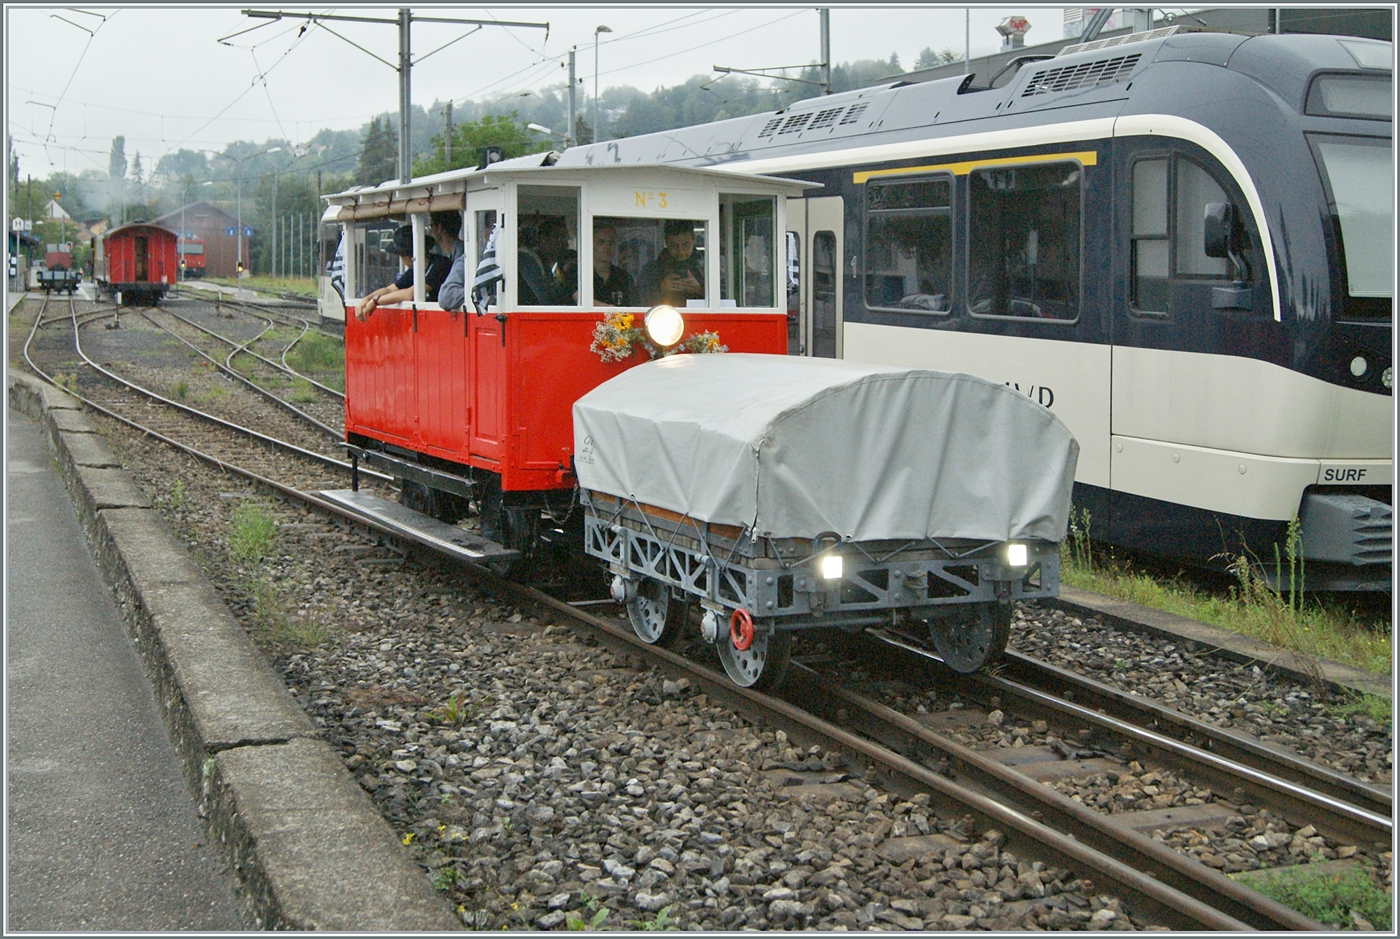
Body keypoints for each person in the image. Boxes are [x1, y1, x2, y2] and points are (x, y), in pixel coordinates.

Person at [354, 225, 452, 321]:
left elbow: (409, 294)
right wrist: (366, 299)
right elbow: (389, 289)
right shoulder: (416, 268)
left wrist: (376, 301)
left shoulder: (440, 264)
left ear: (408, 257)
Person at [639, 219, 704, 306]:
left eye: (685, 245)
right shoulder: (652, 270)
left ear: (694, 239)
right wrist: (661, 289)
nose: (681, 251)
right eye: (674, 246)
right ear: (666, 242)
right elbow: (638, 301)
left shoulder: (708, 267)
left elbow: (721, 300)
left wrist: (700, 290)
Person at [591, 223, 632, 306]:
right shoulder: (578, 274)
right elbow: (578, 298)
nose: (607, 247)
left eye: (611, 242)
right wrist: (609, 309)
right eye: (601, 242)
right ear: (591, 245)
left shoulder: (623, 277)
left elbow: (633, 307)